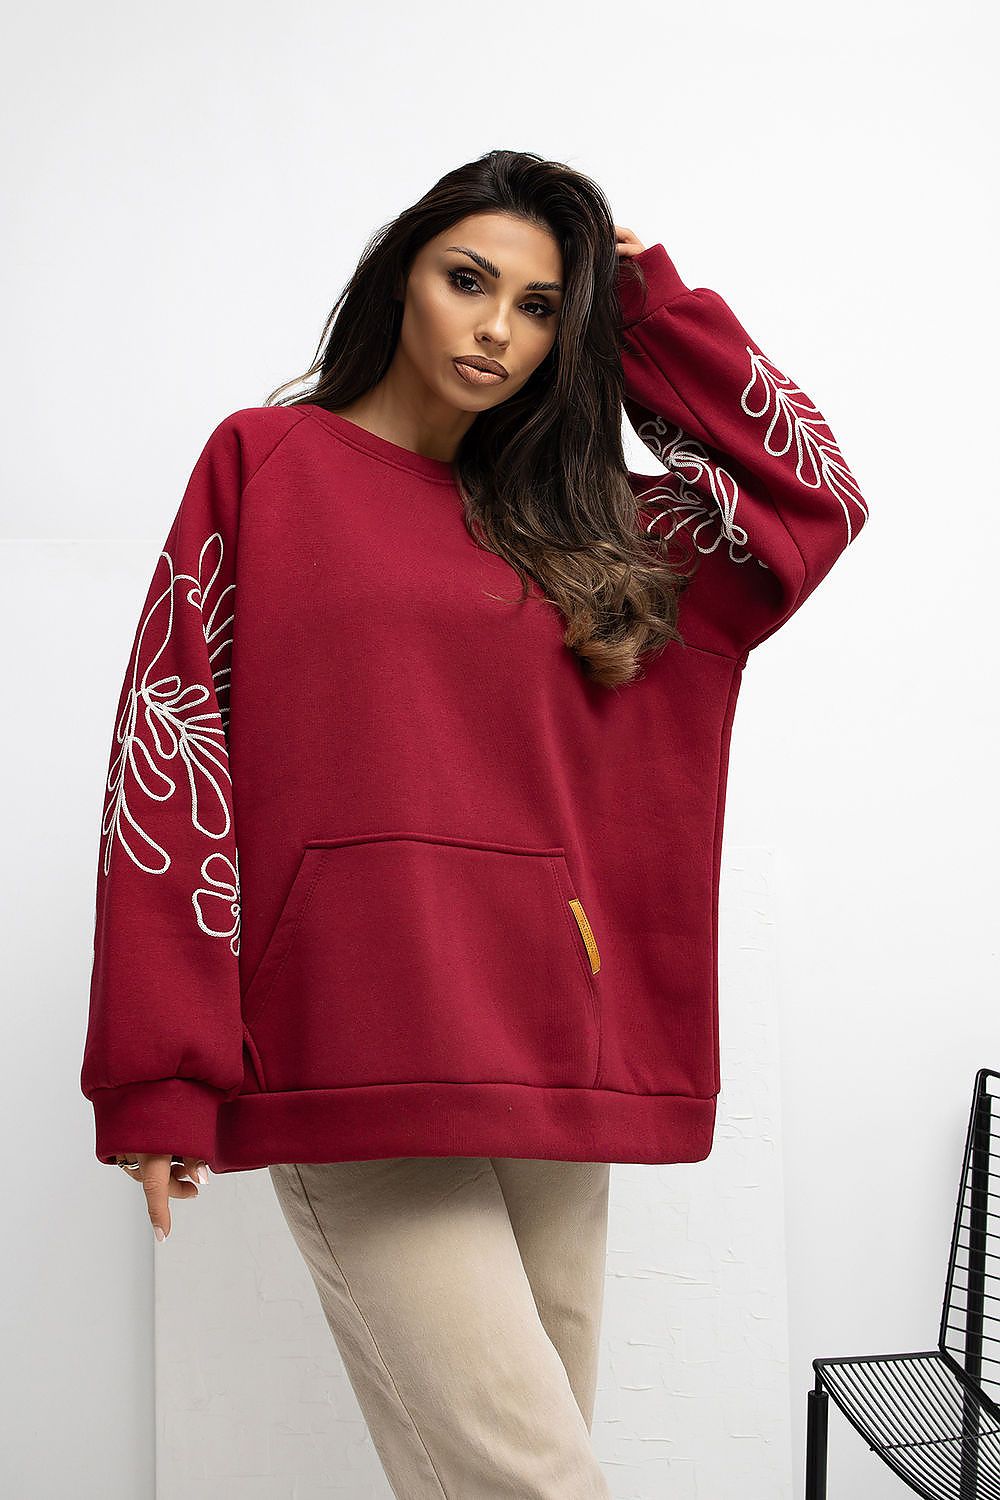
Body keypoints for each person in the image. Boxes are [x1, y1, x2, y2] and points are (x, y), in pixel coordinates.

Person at [80, 148, 870, 1496]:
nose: (499, 328)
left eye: (543, 306)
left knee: (517, 1469)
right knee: (537, 1483)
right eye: (468, 280)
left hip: (547, 1040)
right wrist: (160, 1071)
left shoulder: (581, 522)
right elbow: (172, 743)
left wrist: (650, 309)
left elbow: (809, 506)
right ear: (404, 276)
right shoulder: (266, 461)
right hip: (346, 1034)